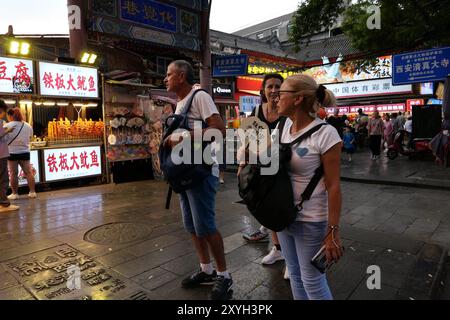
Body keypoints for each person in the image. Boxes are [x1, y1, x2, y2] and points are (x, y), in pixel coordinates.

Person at [163, 60, 232, 300]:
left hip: (201, 171)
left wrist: (184, 135)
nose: (166, 79)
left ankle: (225, 275)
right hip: (184, 173)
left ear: (181, 76)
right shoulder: (180, 103)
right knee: (192, 226)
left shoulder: (199, 96)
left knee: (206, 225)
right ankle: (206, 270)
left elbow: (219, 130)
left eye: (169, 74)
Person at [274, 75, 344, 300]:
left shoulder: (326, 134)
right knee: (294, 274)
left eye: (281, 92)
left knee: (312, 280)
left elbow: (333, 186)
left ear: (297, 99)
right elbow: (268, 159)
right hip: (284, 214)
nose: (276, 97)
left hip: (311, 220)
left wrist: (333, 231)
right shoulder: (282, 127)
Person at [239, 73, 289, 278]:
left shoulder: (289, 112)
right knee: (268, 209)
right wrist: (243, 164)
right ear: (263, 90)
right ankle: (278, 250)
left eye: (278, 86)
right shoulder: (257, 111)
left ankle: (292, 260)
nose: (274, 90)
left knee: (285, 210)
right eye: (270, 86)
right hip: (261, 168)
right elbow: (248, 140)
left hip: (285, 166)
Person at [5, 108, 36, 200]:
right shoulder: (27, 125)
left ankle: (15, 194)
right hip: (25, 152)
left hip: (12, 152)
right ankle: (32, 192)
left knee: (13, 173)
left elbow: (3, 139)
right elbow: (30, 138)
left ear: (10, 116)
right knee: (28, 172)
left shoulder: (7, 125)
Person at [0, 100, 19, 212]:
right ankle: (4, 203)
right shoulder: (0, 121)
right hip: (1, 154)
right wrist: (7, 131)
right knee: (3, 179)